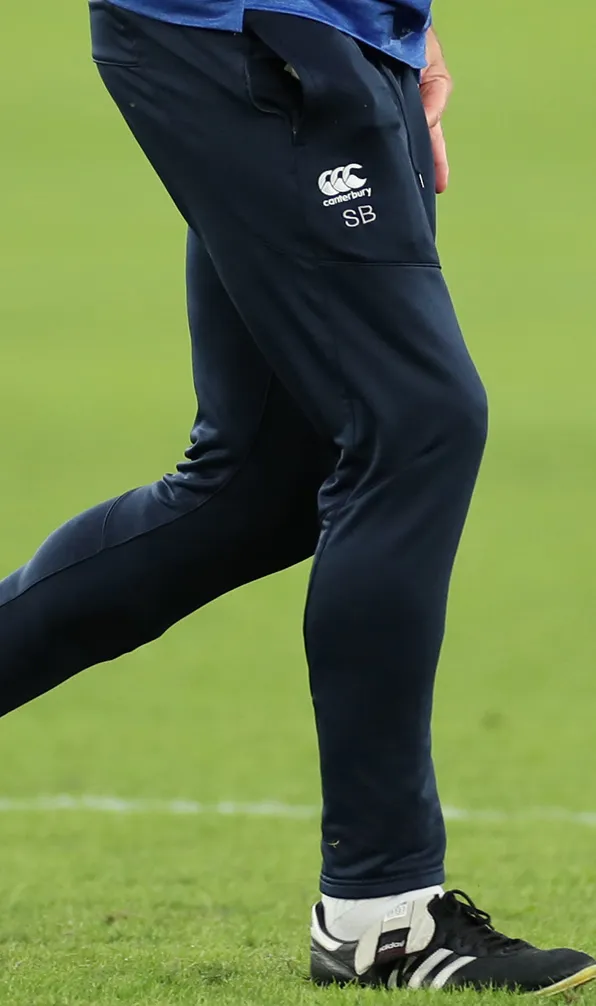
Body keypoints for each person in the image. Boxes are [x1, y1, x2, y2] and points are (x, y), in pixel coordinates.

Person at [1, 0, 594, 993]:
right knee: (415, 420)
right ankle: (381, 915)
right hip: (245, 30)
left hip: (338, 30)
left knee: (260, 483)